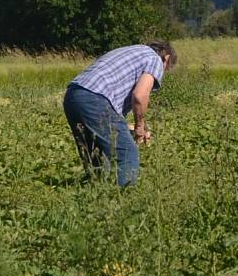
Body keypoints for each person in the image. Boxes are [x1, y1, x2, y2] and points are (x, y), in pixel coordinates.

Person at [63, 41, 176, 186]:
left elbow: (110, 115)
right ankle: (125, 201)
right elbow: (140, 96)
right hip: (95, 98)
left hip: (73, 95)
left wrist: (131, 127)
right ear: (166, 58)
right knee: (127, 152)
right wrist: (140, 127)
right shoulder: (155, 59)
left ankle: (94, 197)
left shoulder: (130, 51)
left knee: (96, 157)